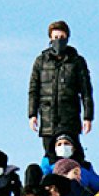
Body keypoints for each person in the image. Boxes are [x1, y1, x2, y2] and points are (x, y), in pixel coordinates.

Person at [28, 20, 94, 162]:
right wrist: (32, 114)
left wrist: (88, 117)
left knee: (73, 155)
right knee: (50, 156)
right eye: (55, 37)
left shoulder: (77, 61)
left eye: (62, 37)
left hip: (69, 117)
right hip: (47, 118)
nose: (59, 41)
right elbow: (33, 89)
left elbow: (86, 92)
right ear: (50, 39)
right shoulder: (41, 61)